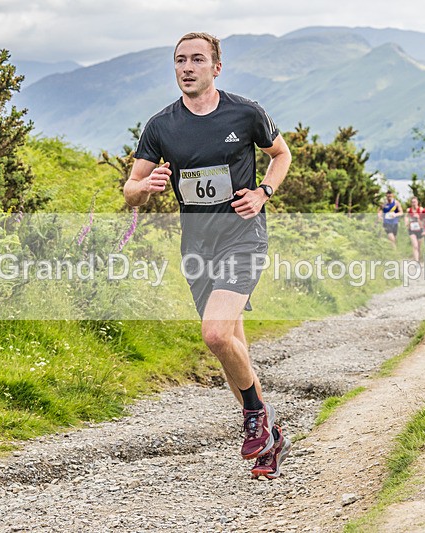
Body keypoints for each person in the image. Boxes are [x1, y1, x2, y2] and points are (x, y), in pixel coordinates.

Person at [124, 32, 292, 479]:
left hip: (242, 236)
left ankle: (256, 415)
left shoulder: (246, 112)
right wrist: (145, 187)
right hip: (196, 246)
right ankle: (268, 439)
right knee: (231, 347)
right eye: (180, 60)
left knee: (215, 335)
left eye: (197, 59)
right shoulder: (161, 126)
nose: (187, 67)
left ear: (216, 67)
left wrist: (263, 192)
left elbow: (281, 154)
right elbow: (130, 190)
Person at [406, 196, 423, 264]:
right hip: (412, 230)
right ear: (411, 203)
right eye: (412, 202)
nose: (414, 203)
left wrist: (418, 217)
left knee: (419, 246)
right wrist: (408, 223)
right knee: (415, 245)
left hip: (420, 229)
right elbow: (406, 219)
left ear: (417, 202)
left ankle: (418, 258)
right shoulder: (408, 210)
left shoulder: (421, 209)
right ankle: (416, 262)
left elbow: (423, 220)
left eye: (415, 202)